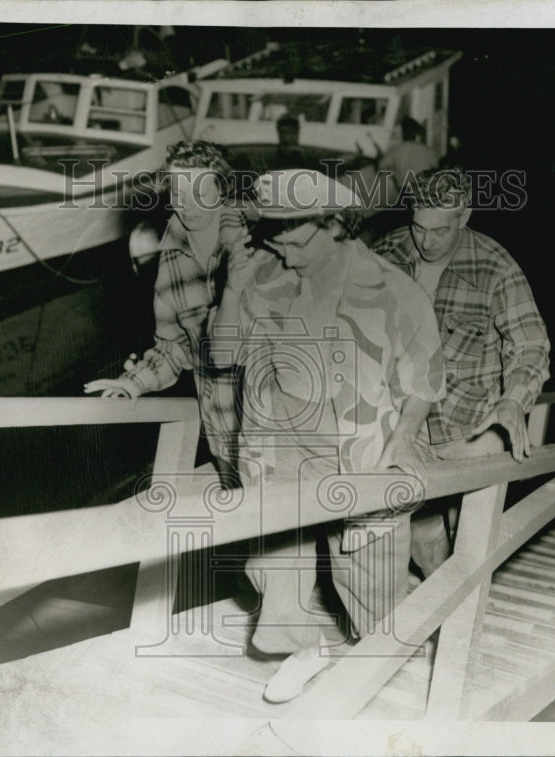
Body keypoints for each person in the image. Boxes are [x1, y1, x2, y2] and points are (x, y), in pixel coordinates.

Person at [211, 169, 446, 702]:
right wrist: (232, 290)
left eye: (297, 243)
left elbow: (425, 380)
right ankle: (304, 649)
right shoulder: (265, 276)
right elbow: (223, 355)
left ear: (336, 224)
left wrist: (405, 440)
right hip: (278, 445)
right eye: (277, 241)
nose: (286, 256)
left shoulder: (392, 288)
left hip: (358, 446)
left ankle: (378, 652)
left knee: (368, 570)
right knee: (270, 560)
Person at [374, 167, 550, 578]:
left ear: (465, 216)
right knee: (421, 540)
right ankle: (445, 624)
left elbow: (530, 344)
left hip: (472, 427)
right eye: (419, 228)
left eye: (440, 231)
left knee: (472, 544)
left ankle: (467, 615)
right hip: (406, 425)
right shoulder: (386, 254)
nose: (426, 241)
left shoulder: (496, 267)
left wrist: (513, 402)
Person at [84, 140, 246, 475]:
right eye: (177, 191)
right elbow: (175, 347)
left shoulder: (257, 242)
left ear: (222, 188)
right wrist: (136, 381)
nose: (187, 204)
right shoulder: (171, 259)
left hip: (282, 423)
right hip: (224, 430)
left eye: (200, 189)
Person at [378, 117, 439, 203]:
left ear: (403, 134)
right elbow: (436, 166)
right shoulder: (428, 151)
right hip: (425, 192)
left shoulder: (396, 151)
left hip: (406, 195)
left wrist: (393, 170)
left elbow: (380, 167)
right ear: (417, 134)